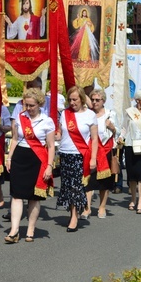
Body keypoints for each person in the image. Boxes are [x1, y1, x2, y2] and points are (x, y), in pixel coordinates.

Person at [5, 87, 55, 242]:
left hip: (37, 160)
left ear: (39, 104)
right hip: (20, 157)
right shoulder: (20, 118)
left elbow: (51, 145)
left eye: (32, 105)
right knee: (16, 195)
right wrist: (9, 158)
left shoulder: (47, 121)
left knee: (33, 197)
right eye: (26, 105)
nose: (28, 108)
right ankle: (14, 231)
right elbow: (14, 139)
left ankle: (30, 229)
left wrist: (49, 166)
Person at [57, 86, 98, 229]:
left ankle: (74, 217)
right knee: (67, 186)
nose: (72, 102)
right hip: (65, 153)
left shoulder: (90, 115)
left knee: (76, 186)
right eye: (70, 100)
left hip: (80, 155)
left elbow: (94, 139)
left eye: (75, 99)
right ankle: (73, 211)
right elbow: (60, 135)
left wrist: (93, 158)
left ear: (81, 99)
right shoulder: (64, 114)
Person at [85, 88, 116, 219]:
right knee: (88, 180)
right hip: (91, 150)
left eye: (97, 100)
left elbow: (117, 132)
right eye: (92, 100)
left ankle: (102, 207)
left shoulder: (110, 114)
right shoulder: (87, 113)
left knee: (104, 182)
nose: (94, 102)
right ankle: (87, 208)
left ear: (103, 101)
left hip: (106, 150)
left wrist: (112, 127)